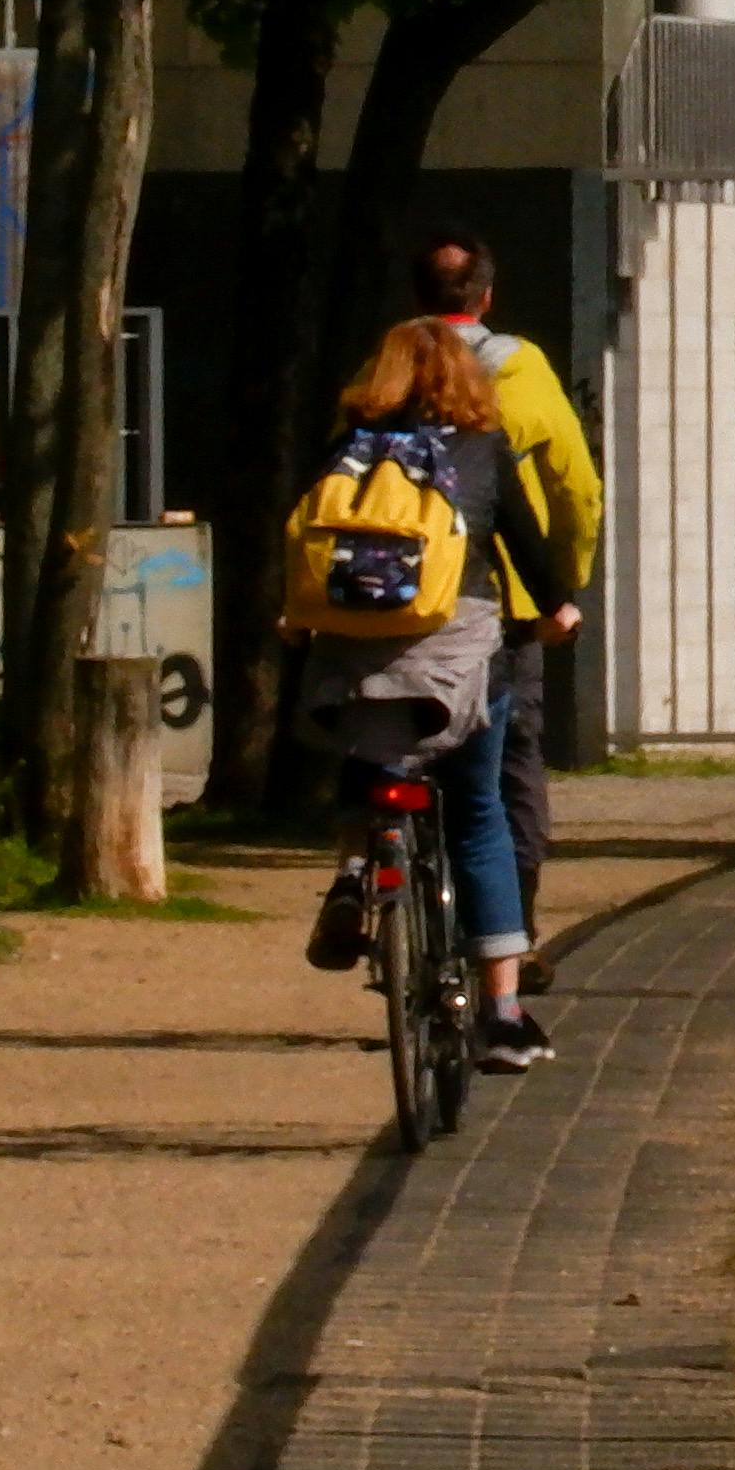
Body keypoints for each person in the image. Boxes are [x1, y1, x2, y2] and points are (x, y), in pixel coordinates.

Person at [292, 315, 580, 1071]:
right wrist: (561, 608)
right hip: (461, 654)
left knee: (373, 754)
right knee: (479, 814)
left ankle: (356, 874)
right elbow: (528, 546)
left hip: (356, 657)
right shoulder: (484, 449)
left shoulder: (347, 448)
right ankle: (505, 1017)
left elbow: (305, 541)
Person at [403, 234, 604, 977]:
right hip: (505, 603)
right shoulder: (521, 371)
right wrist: (564, 584)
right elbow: (575, 487)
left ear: (416, 297)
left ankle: (365, 876)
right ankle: (509, 937)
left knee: (381, 738)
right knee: (507, 764)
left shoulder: (387, 367)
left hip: (389, 603)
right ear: (485, 297)